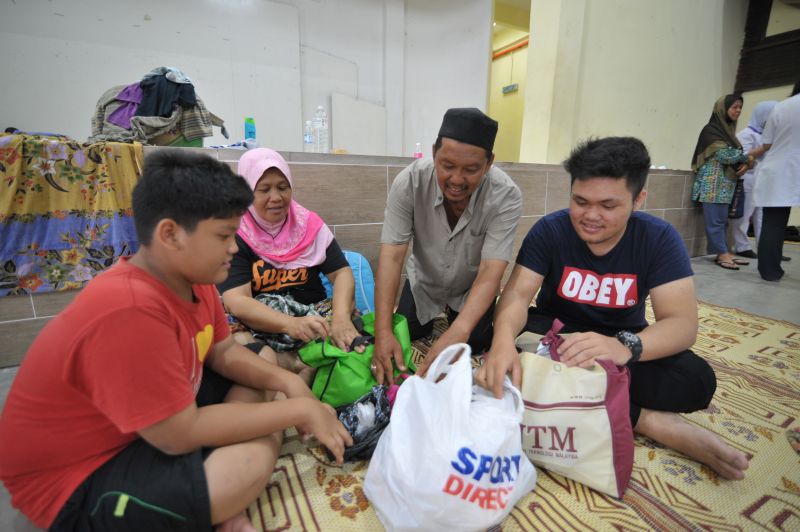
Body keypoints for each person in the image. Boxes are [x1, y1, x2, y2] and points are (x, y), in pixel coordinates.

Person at [0, 150, 352, 531]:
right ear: (170, 234)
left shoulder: (195, 283)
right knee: (249, 464)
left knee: (260, 366)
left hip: (145, 427)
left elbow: (223, 352)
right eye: (224, 236)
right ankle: (208, 504)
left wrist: (286, 384)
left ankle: (205, 498)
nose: (234, 248)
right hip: (77, 477)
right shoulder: (128, 309)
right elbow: (178, 434)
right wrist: (298, 411)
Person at [478, 137, 749, 481]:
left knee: (697, 381)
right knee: (502, 341)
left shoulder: (658, 238)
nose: (590, 216)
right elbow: (516, 296)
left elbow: (681, 324)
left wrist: (622, 347)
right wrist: (502, 341)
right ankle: (648, 420)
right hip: (556, 336)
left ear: (638, 200)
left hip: (621, 341)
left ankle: (582, 393)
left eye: (608, 205)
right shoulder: (551, 230)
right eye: (580, 201)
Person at [372, 107, 522, 383]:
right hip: (424, 281)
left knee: (472, 344)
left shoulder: (506, 196)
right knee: (408, 332)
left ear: (489, 164)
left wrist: (461, 329)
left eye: (471, 169)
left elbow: (491, 270)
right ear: (433, 153)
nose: (456, 179)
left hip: (471, 285)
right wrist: (383, 332)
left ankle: (461, 321)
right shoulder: (410, 183)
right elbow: (392, 257)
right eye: (447, 165)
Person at [218, 148, 364, 379]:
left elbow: (343, 273)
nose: (276, 197)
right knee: (233, 338)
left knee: (349, 322)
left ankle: (298, 371)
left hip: (312, 319)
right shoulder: (236, 231)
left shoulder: (309, 224)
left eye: (283, 187)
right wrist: (290, 324)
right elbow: (237, 300)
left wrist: (340, 318)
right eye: (264, 189)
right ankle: (299, 368)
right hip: (262, 326)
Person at [690, 94, 754, 270]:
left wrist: (746, 160)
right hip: (712, 184)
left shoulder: (728, 132)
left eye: (740, 107)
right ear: (722, 109)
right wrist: (748, 157)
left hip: (725, 184)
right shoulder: (711, 130)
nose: (738, 111)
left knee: (722, 220)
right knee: (716, 221)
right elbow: (724, 155)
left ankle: (723, 252)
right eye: (734, 107)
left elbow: (731, 155)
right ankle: (722, 253)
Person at [753, 81, 800, 282]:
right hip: (793, 167)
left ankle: (770, 271)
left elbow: (767, 143)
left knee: (773, 222)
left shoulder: (782, 106)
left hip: (777, 169)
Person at [732, 100, 777, 259]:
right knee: (745, 215)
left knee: (761, 217)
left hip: (762, 180)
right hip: (748, 179)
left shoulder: (765, 136)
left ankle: (765, 248)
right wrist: (764, 148)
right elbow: (743, 157)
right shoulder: (746, 134)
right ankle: (741, 246)